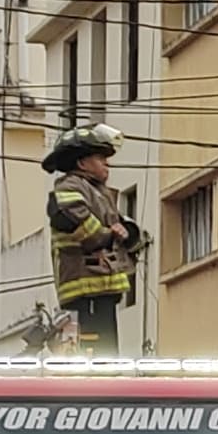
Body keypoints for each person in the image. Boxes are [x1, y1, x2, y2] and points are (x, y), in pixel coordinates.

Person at [43, 124, 141, 351]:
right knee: (96, 358)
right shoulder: (69, 188)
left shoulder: (99, 192)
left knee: (107, 359)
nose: (107, 163)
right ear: (82, 163)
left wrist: (126, 233)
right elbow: (86, 230)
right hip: (85, 291)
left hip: (100, 291)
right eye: (100, 158)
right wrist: (112, 235)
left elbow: (125, 230)